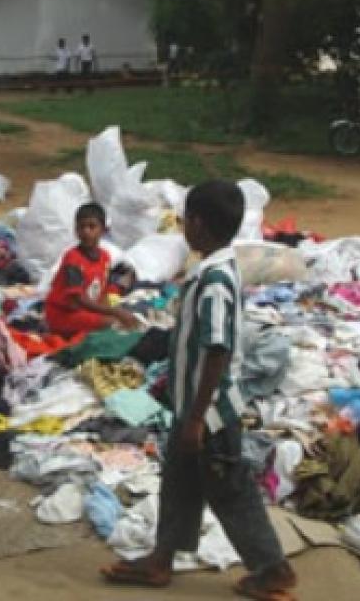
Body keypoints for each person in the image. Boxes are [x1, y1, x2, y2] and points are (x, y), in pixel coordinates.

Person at [101, 180, 297, 600]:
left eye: (186, 220)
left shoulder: (214, 282)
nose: (183, 228)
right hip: (193, 408)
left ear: (199, 224)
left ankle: (272, 569)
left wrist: (194, 419)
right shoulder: (211, 270)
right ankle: (161, 558)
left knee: (230, 490)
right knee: (179, 480)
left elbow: (218, 350)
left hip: (209, 414)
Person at [44, 202, 139, 337]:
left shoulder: (105, 257)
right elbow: (78, 299)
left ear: (103, 230)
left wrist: (114, 306)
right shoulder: (73, 258)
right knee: (113, 324)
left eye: (92, 227)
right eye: (81, 227)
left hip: (84, 310)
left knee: (131, 317)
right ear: (76, 230)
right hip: (63, 314)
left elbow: (101, 289)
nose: (86, 232)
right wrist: (114, 312)